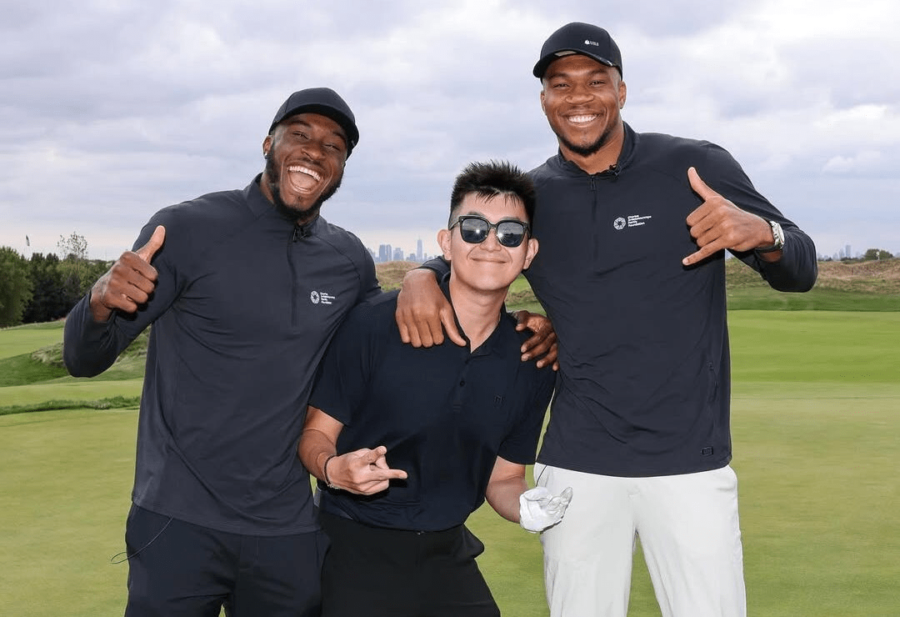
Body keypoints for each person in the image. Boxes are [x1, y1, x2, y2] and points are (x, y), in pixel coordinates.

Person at [396, 22, 818, 617]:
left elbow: (800, 267)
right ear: (544, 99)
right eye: (560, 84)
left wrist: (764, 233)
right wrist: (419, 276)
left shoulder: (694, 166)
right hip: (577, 464)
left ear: (622, 90)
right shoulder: (534, 195)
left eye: (596, 81)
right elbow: (473, 253)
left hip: (689, 462)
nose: (579, 97)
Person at [64, 87, 379, 617]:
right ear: (268, 144)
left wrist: (427, 278)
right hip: (176, 520)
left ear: (342, 168)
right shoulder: (186, 229)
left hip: (286, 528)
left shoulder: (349, 260)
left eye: (333, 146)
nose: (314, 150)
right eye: (299, 134)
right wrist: (98, 301)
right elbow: (84, 359)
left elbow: (378, 349)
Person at [299, 160, 572, 617]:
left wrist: (526, 506)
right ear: (447, 242)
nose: (491, 243)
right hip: (348, 547)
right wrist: (332, 469)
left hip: (447, 553)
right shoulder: (373, 325)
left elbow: (503, 478)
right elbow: (314, 434)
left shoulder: (533, 359)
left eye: (510, 233)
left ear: (529, 252)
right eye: (473, 229)